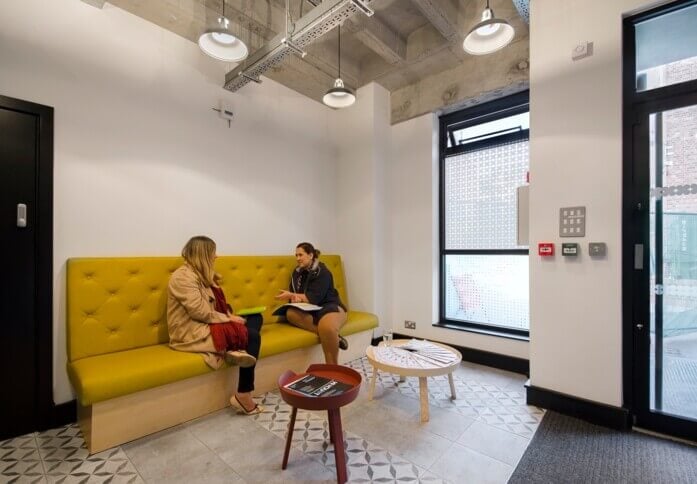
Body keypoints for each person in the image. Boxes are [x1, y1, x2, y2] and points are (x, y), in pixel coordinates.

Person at [167, 236, 263, 415]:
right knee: (253, 336)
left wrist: (229, 316)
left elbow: (214, 308)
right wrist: (229, 319)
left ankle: (236, 347)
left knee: (256, 317)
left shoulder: (203, 275)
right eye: (213, 252)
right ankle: (244, 394)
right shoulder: (182, 277)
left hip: (208, 322)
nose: (217, 256)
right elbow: (200, 312)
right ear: (203, 254)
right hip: (192, 330)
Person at [276, 242, 348, 365]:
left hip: (329, 306)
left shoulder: (322, 271)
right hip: (311, 309)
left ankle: (332, 368)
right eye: (296, 255)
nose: (298, 258)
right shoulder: (297, 273)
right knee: (290, 313)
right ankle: (336, 336)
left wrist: (292, 295)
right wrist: (295, 299)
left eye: (301, 255)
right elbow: (299, 294)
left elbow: (314, 298)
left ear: (310, 255)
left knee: (327, 328)